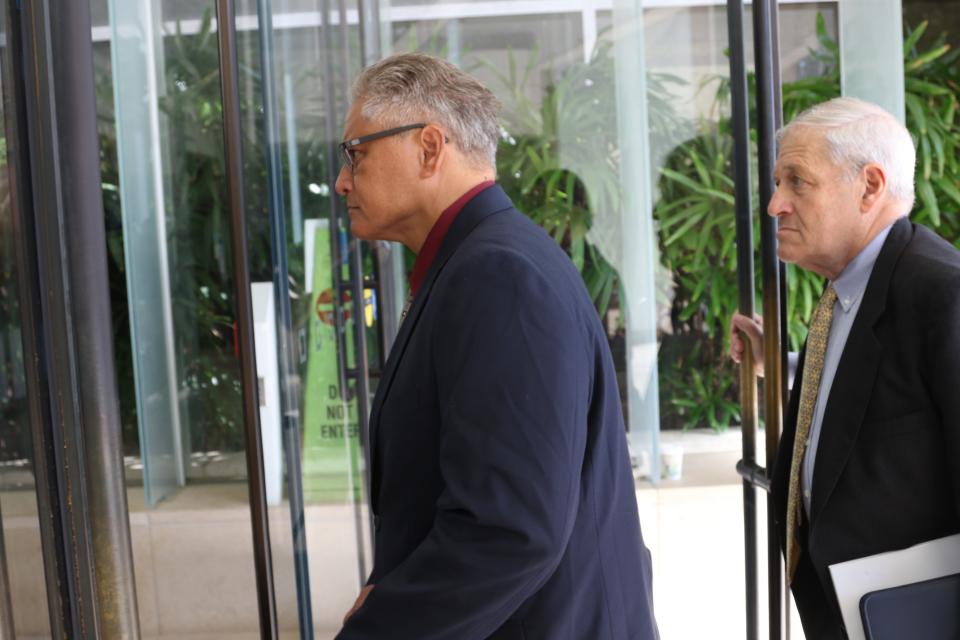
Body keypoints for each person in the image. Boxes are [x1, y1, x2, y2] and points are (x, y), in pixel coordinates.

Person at [333, 53, 659, 639]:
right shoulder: (481, 259)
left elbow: (509, 529)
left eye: (356, 153)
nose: (342, 181)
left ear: (430, 149)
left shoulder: (497, 274)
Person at [730, 97, 960, 638]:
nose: (774, 204)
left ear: (870, 187)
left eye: (797, 182)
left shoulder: (940, 293)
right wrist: (784, 367)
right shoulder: (852, 290)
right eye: (777, 181)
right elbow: (872, 392)